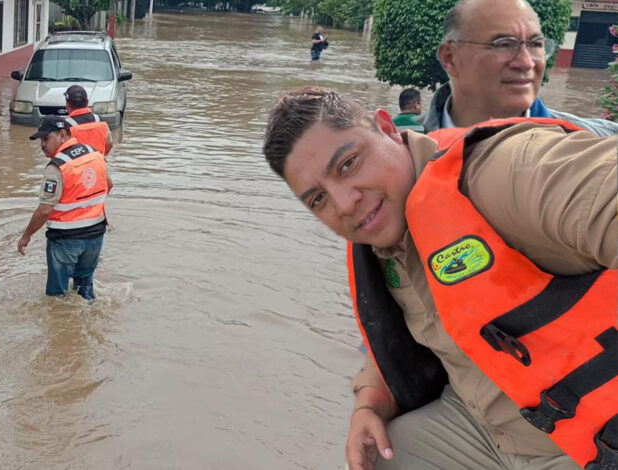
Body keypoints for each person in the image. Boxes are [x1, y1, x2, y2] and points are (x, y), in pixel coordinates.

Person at [262, 86, 617, 470]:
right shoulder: (383, 238)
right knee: (382, 454)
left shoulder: (501, 174)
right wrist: (369, 402)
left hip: (586, 439)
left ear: (388, 128)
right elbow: (400, 346)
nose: (345, 204)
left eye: (348, 164)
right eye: (318, 199)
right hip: (483, 425)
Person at [423, 0, 618, 139]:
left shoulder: (598, 146)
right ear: (450, 58)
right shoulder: (405, 153)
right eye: (504, 44)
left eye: (536, 44)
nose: (526, 63)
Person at [17, 115, 113, 301]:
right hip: (95, 237)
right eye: (41, 140)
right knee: (85, 286)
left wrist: (26, 236)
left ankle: (60, 326)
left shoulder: (57, 167)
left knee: (56, 296)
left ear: (62, 135)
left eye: (46, 138)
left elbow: (44, 210)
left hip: (65, 240)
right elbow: (109, 184)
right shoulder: (95, 154)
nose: (42, 144)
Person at [63, 85, 114, 157]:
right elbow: (109, 144)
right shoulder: (100, 121)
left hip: (76, 167)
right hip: (98, 165)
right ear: (87, 102)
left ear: (67, 105)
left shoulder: (65, 126)